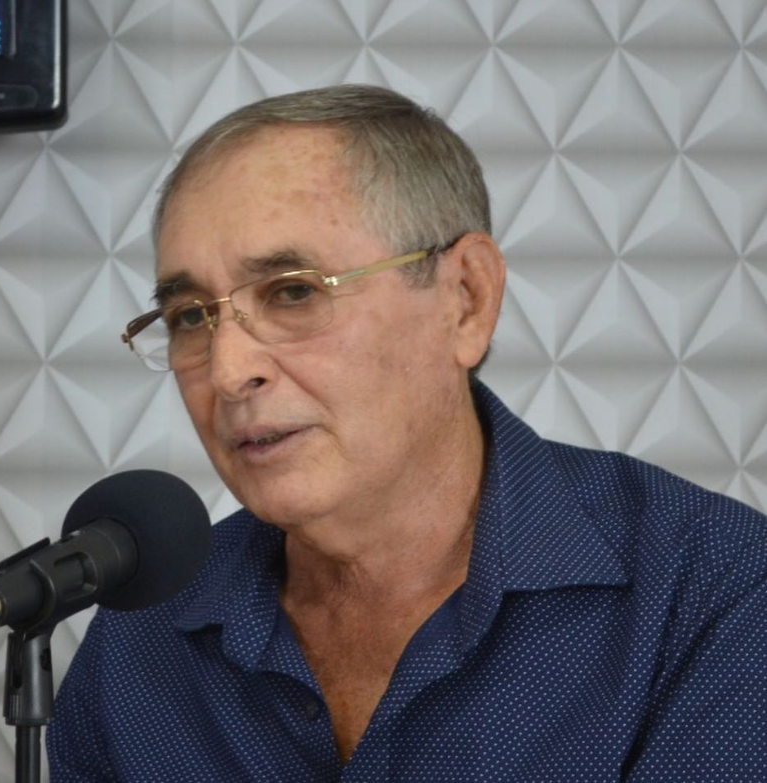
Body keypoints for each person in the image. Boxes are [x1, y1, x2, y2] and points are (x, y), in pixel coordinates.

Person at [46, 85, 767, 781]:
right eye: (189, 317)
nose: (228, 371)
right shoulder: (140, 635)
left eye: (293, 291)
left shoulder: (713, 592)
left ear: (466, 299)